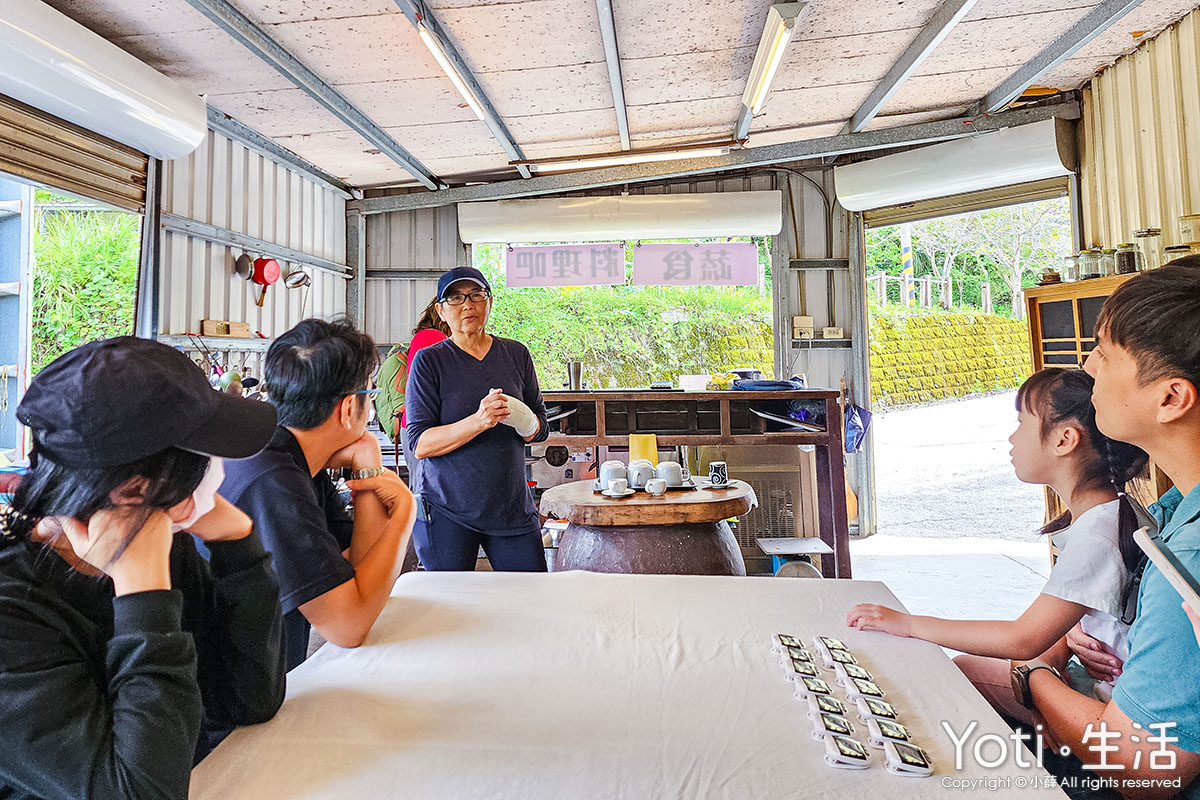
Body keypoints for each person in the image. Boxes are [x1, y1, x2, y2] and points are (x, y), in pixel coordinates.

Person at [0, 336, 285, 799]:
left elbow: (248, 700)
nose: (216, 471)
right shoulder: (15, 609)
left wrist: (239, 544)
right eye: (205, 459)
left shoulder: (163, 545)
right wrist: (142, 595)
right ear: (135, 490)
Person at [845, 368, 1150, 722]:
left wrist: (909, 624)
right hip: (1108, 690)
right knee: (970, 667)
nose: (1011, 438)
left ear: (1065, 440)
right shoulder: (1114, 512)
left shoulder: (1097, 533)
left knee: (959, 673)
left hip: (1114, 710)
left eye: (1021, 423)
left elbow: (1023, 639)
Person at [1017, 265, 1200, 796]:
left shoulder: (1187, 557)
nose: (1087, 364)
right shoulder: (1171, 508)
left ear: (1170, 398)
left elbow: (1147, 769)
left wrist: (1034, 679)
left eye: (1105, 352)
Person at [220, 318, 416, 671]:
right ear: (346, 409)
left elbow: (357, 569)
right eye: (370, 395)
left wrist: (367, 468)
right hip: (223, 718)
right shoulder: (273, 481)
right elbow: (349, 626)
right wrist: (403, 513)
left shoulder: (291, 458)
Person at [405, 266, 550, 571]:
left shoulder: (515, 354)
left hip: (510, 507)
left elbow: (540, 428)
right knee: (449, 608)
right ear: (441, 311)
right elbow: (420, 443)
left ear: (489, 302)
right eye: (455, 298)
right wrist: (479, 421)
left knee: (531, 600)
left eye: (476, 295)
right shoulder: (429, 361)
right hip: (447, 510)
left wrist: (523, 421)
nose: (468, 305)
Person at [401, 297, 451, 478]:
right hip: (426, 428)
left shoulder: (422, 337)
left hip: (415, 424)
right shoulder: (434, 338)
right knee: (425, 489)